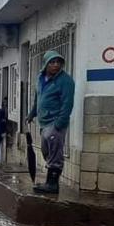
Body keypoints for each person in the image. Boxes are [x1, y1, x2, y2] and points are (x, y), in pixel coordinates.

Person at [28, 50, 75, 195]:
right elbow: (38, 98)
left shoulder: (65, 81)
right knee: (46, 151)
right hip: (44, 123)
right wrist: (32, 113)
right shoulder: (40, 78)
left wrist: (59, 123)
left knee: (55, 153)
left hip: (55, 122)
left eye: (58, 62)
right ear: (46, 63)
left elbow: (67, 104)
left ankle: (52, 184)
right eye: (52, 62)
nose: (56, 65)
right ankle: (51, 180)